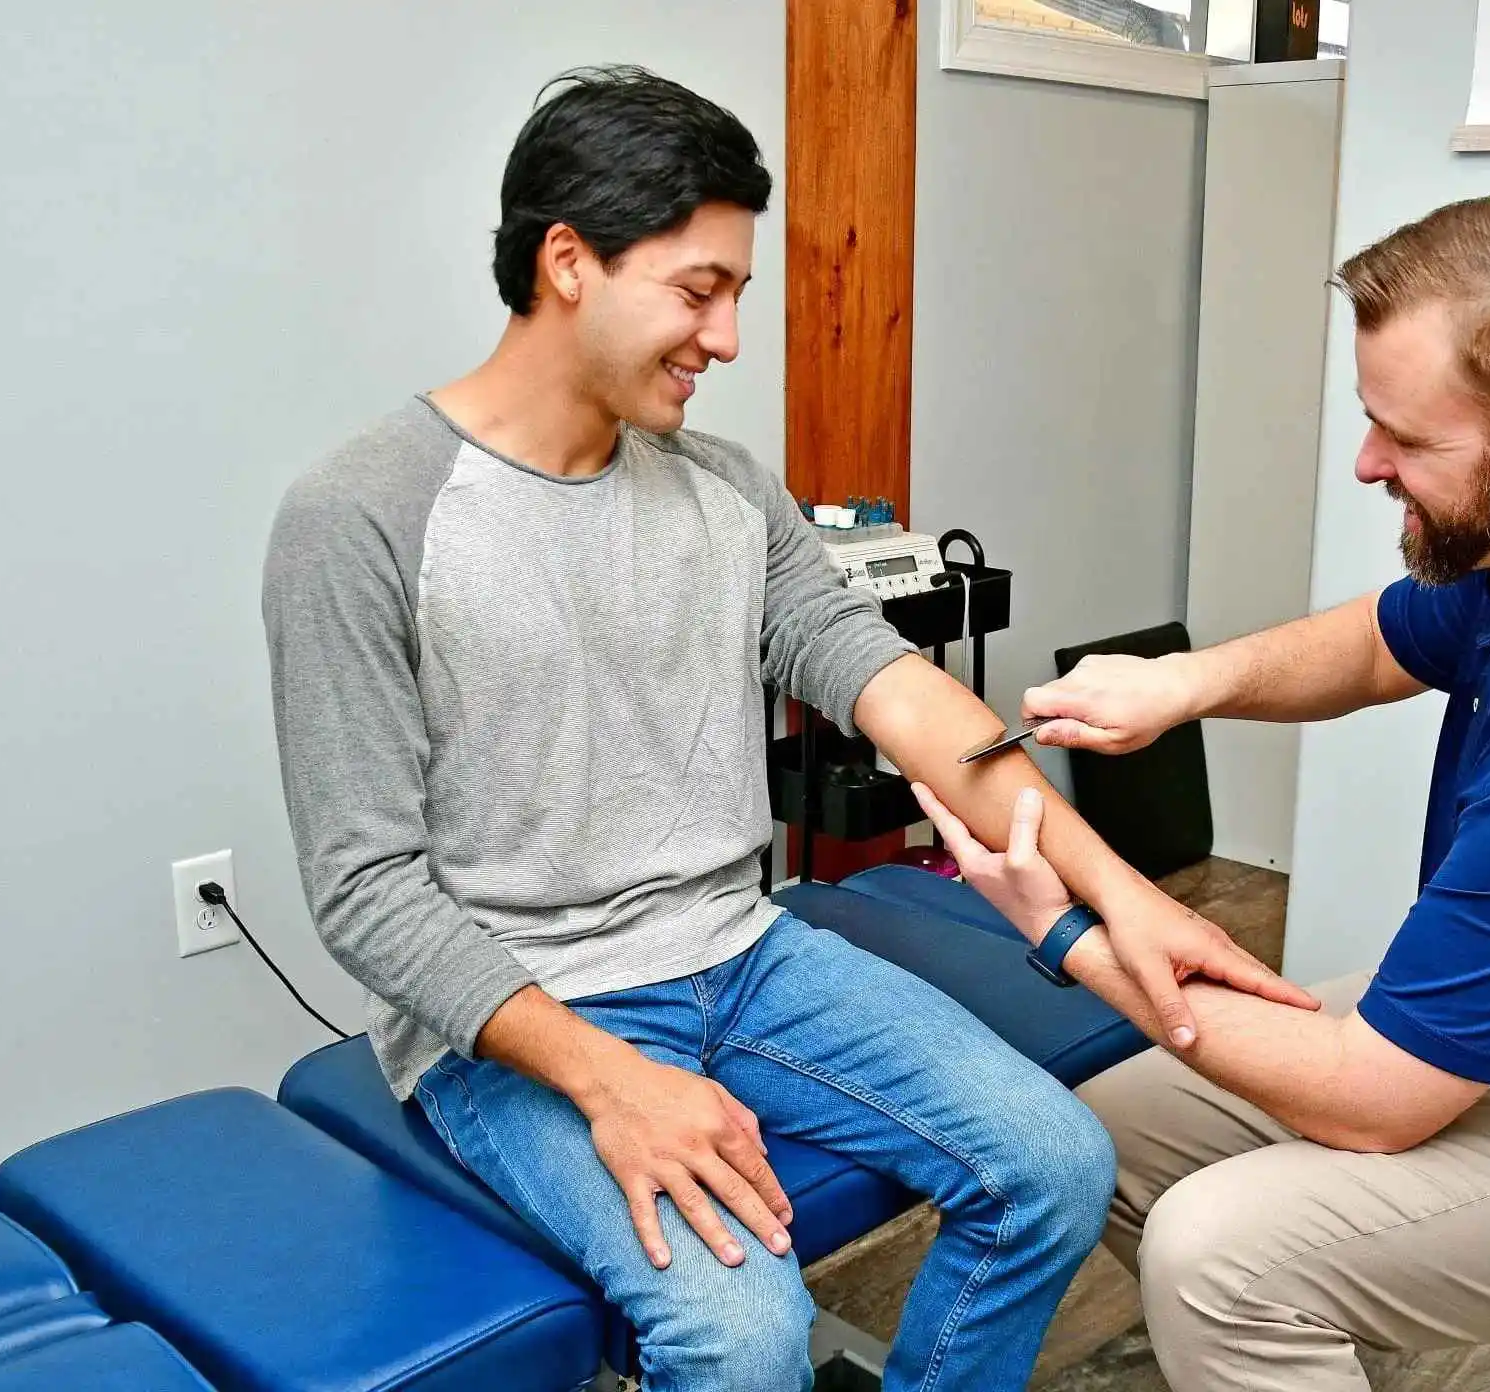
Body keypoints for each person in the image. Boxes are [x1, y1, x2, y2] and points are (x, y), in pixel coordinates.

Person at [261, 66, 1300, 1392]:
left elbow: (903, 693)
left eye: (737, 293)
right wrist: (605, 1080)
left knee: (1055, 1165)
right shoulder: (358, 517)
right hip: (522, 1012)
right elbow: (363, 889)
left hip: (743, 956)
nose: (730, 338)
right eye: (701, 290)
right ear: (569, 262)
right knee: (746, 1340)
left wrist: (1116, 901)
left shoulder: (727, 492)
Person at [912, 191, 1490, 1392]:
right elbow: (1381, 641)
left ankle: (1287, 1312)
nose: (1370, 464)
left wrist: (1065, 925)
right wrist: (1182, 683)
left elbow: (1375, 1104)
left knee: (1221, 1261)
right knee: (1093, 1135)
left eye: (1408, 441)